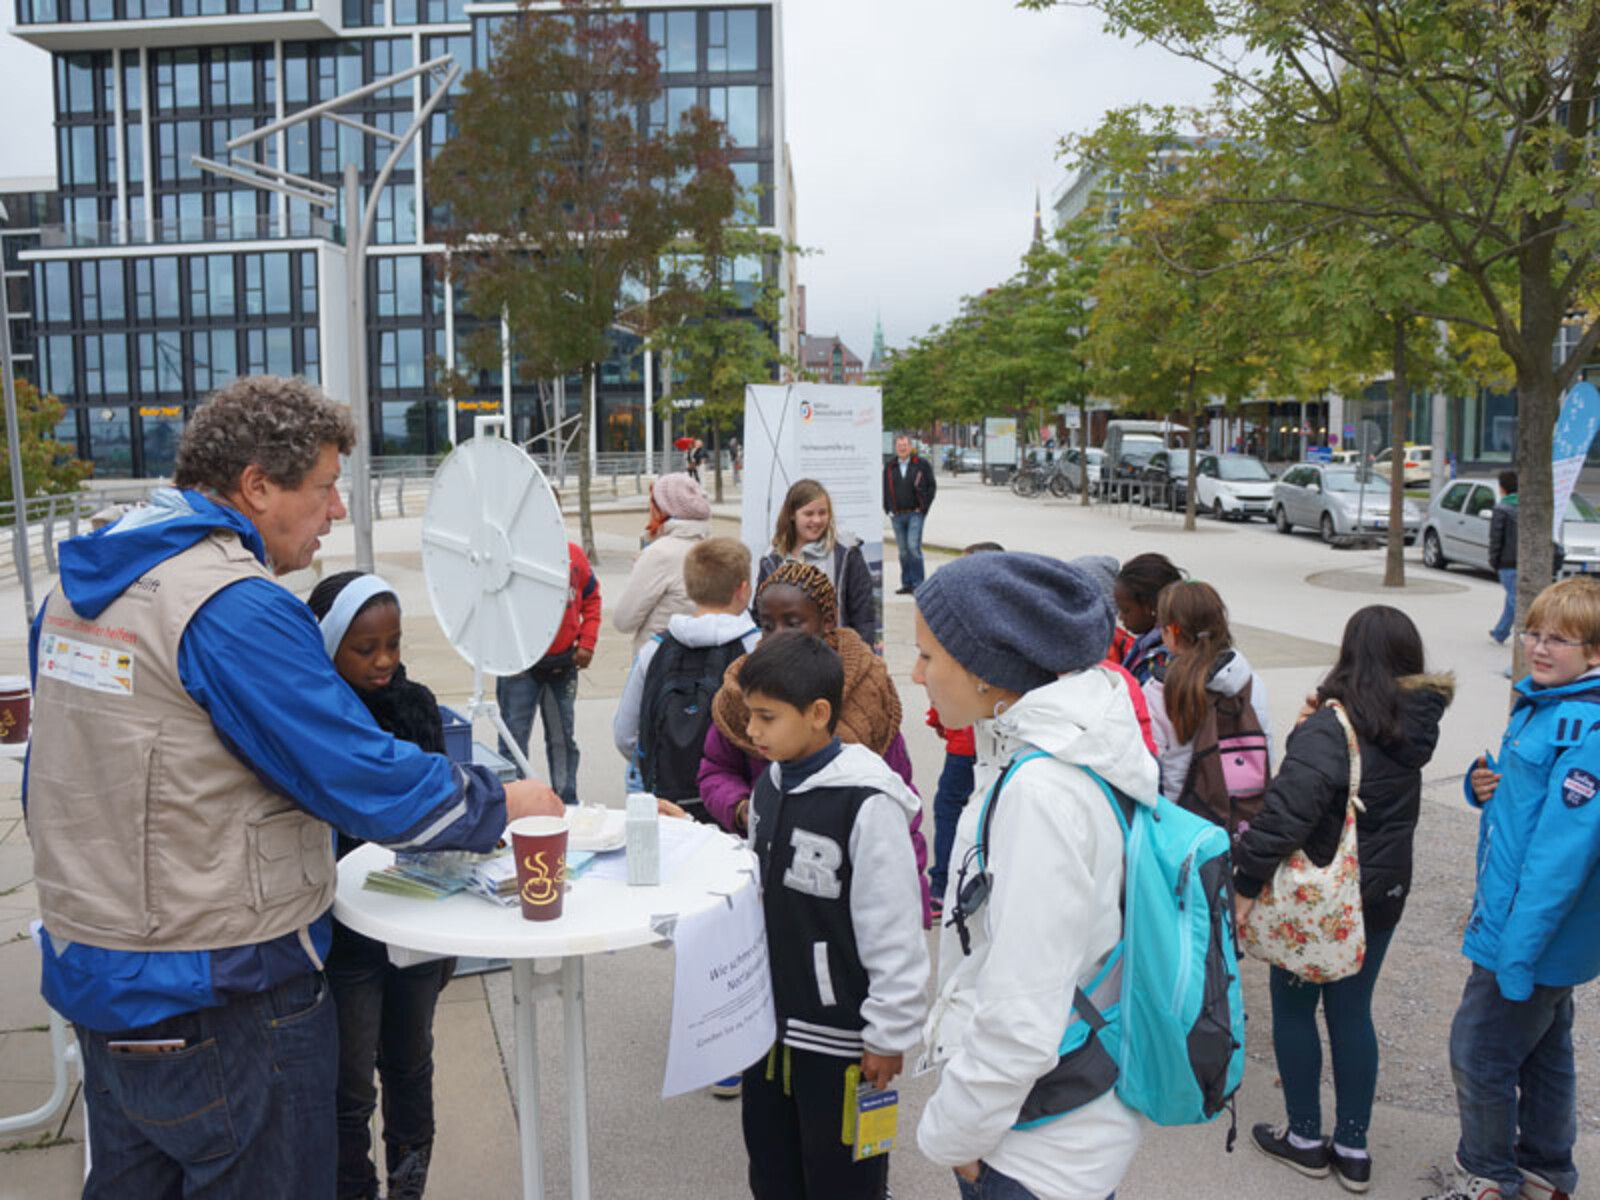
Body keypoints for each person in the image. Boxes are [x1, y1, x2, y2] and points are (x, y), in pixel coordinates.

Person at [24, 375, 562, 1197]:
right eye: (323, 488)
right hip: (223, 993)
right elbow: (359, 777)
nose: (337, 511)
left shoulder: (78, 587)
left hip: (99, 976)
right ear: (256, 486)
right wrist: (500, 802)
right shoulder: (232, 605)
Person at [913, 553, 1154, 1200]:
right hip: (1058, 1125)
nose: (915, 675)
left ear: (985, 670)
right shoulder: (1060, 751)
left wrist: (952, 1138)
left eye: (929, 657)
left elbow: (1021, 1016)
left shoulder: (1040, 794)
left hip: (1035, 1152)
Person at [1231, 607, 1453, 1192]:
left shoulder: (1333, 726)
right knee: (1353, 1012)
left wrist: (1245, 886)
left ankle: (1304, 1137)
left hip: (1318, 900)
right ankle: (1353, 1148)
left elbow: (1284, 817)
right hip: (1380, 892)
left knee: (1296, 1007)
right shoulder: (1417, 722)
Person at [736, 632, 930, 1200]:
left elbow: (895, 929)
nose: (752, 731)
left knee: (844, 1181)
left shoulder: (867, 804)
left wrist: (889, 1034)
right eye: (751, 715)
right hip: (767, 1034)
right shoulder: (769, 784)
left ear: (819, 714)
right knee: (772, 1172)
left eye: (766, 717)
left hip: (843, 1045)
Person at [1424, 577, 1600, 1200]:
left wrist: (1515, 957)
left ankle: (1487, 1178)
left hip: (1525, 937)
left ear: (1595, 654)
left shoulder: (1584, 729)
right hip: (1540, 938)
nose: (1539, 648)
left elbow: (1560, 859)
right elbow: (1530, 808)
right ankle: (1546, 1172)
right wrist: (1485, 785)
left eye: (1560, 639)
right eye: (1534, 633)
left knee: (1479, 1053)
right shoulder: (1548, 706)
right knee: (1548, 1055)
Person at [308, 572, 459, 1200]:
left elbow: (438, 814)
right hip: (347, 935)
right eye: (365, 649)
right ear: (325, 646)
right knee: (348, 1085)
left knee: (409, 1063)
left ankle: (407, 1187)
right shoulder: (310, 718)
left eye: (393, 644)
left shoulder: (417, 704)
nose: (384, 661)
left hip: (415, 920)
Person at [700, 561, 931, 922]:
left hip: (855, 887)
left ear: (827, 621)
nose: (777, 635)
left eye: (793, 622)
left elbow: (900, 798)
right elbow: (716, 769)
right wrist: (743, 809)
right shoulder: (743, 692)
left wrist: (911, 888)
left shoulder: (869, 690)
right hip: (770, 877)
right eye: (767, 624)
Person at [613, 537, 760, 818]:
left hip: (667, 802)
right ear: (743, 589)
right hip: (734, 802)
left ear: (691, 591)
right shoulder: (757, 649)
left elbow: (625, 733)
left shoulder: (655, 648)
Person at [1143, 579, 1271, 803]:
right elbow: (1265, 745)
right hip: (1243, 810)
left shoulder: (1158, 690)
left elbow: (1150, 766)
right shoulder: (1249, 682)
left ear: (1172, 633)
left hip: (1183, 819)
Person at [497, 540, 600, 805]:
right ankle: (513, 805)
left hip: (561, 665)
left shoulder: (574, 556)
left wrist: (587, 642)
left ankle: (567, 802)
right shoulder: (507, 556)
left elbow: (591, 598)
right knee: (513, 740)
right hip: (518, 666)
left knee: (562, 739)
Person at [757, 479, 876, 647]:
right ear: (792, 514)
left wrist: (863, 654)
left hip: (835, 652)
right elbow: (762, 614)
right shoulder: (772, 559)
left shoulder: (847, 553)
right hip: (785, 654)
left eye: (822, 513)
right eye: (809, 514)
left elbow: (863, 613)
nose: (817, 520)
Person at [612, 472, 713, 656]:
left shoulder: (660, 554)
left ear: (662, 509)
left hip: (659, 661)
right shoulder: (714, 549)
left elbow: (624, 620)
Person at [1114, 552, 1184, 684]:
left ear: (1150, 607)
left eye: (1126, 610)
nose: (1121, 617)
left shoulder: (1164, 659)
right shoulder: (1145, 642)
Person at [882, 434, 936, 594]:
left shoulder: (921, 464)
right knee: (903, 552)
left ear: (910, 446)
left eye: (905, 445)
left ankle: (919, 584)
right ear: (895, 447)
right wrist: (888, 509)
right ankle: (907, 583)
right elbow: (884, 488)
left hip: (915, 514)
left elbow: (931, 487)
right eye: (899, 445)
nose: (902, 448)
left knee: (913, 548)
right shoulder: (890, 466)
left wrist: (924, 508)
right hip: (897, 515)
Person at [1488, 469, 1520, 646]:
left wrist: (1493, 561)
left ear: (1502, 488)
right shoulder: (1530, 505)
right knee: (1512, 597)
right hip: (1523, 561)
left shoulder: (1502, 508)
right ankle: (1500, 632)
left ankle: (1529, 633)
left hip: (1508, 562)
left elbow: (1496, 537)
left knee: (1515, 599)